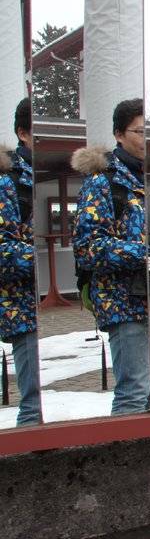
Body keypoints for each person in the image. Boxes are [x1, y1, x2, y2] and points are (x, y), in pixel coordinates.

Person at [72, 98, 150, 415]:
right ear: (119, 134)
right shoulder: (103, 181)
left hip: (143, 296)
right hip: (119, 299)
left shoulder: (140, 178)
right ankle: (124, 445)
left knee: (144, 393)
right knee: (133, 391)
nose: (147, 139)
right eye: (140, 131)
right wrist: (140, 252)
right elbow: (87, 246)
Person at [0, 98, 39, 424]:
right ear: (22, 133)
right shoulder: (8, 180)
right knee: (33, 403)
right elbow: (3, 248)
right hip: (21, 302)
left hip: (35, 300)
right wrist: (38, 260)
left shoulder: (38, 173)